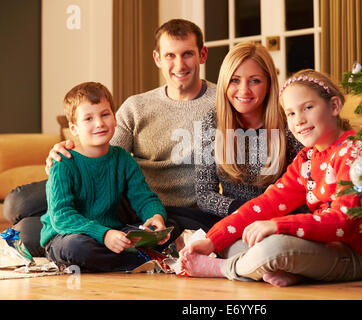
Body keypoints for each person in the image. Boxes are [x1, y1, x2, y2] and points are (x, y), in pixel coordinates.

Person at [3, 19, 218, 257]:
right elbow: (103, 160)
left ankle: (58, 235)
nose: (179, 64)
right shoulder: (137, 106)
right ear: (157, 58)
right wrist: (64, 151)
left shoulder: (222, 105)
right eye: (170, 55)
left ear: (202, 54)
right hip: (116, 195)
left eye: (187, 53)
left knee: (26, 233)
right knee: (16, 202)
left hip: (153, 207)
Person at [179, 69, 362, 287]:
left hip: (354, 256)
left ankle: (223, 269)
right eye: (291, 114)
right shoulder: (307, 158)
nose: (299, 120)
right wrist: (212, 240)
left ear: (334, 106)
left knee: (272, 249)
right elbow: (268, 202)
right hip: (319, 246)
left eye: (308, 108)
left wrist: (276, 225)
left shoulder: (354, 152)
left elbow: (344, 223)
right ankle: (295, 272)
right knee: (237, 242)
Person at [41, 81, 170, 272]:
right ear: (74, 128)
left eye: (105, 114)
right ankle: (137, 261)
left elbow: (144, 197)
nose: (99, 123)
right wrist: (105, 234)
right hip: (67, 235)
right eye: (88, 119)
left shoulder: (122, 158)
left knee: (165, 230)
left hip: (111, 231)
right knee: (77, 248)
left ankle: (124, 257)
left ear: (115, 117)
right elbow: (62, 217)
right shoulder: (63, 162)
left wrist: (155, 216)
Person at [195, 41, 303, 219]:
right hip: (233, 216)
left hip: (278, 217)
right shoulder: (213, 121)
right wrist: (247, 212)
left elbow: (306, 186)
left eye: (255, 81)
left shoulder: (288, 121)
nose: (244, 90)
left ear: (268, 85)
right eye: (235, 80)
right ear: (224, 83)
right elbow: (205, 194)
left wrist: (266, 213)